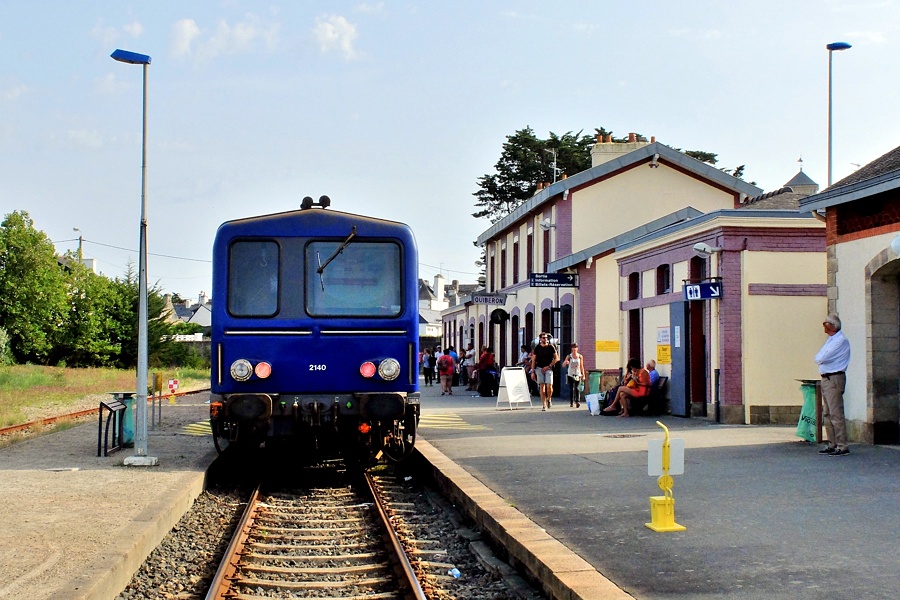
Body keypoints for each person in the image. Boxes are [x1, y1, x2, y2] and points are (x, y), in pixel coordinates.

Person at [815, 314, 851, 456]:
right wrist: (820, 359)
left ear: (831, 326)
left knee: (836, 413)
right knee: (828, 413)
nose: (823, 325)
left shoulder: (840, 340)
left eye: (825, 323)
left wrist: (820, 359)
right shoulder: (830, 340)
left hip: (834, 378)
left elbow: (822, 357)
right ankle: (832, 443)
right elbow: (818, 357)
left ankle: (842, 445)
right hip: (826, 378)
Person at [531, 333, 559, 411]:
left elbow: (557, 358)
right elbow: (533, 360)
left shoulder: (551, 347)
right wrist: (533, 372)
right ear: (540, 339)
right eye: (543, 338)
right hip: (539, 368)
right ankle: (544, 404)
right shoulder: (537, 348)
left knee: (549, 386)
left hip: (549, 369)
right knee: (542, 387)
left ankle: (549, 399)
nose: (545, 339)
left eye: (546, 338)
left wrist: (549, 366)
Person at [562, 342, 586, 408]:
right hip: (570, 374)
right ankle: (571, 401)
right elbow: (563, 365)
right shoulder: (569, 356)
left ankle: (577, 401)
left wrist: (583, 375)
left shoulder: (580, 356)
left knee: (577, 388)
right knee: (571, 388)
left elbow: (581, 366)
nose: (574, 349)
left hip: (577, 374)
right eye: (573, 347)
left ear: (577, 348)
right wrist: (566, 362)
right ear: (571, 349)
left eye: (576, 347)